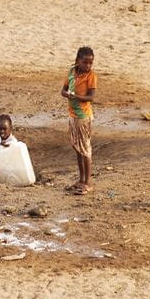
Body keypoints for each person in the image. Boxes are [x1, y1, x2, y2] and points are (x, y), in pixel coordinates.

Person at [62, 46, 97, 195]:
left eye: (90, 63)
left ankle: (88, 182)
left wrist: (76, 97)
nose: (88, 66)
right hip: (73, 116)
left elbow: (91, 97)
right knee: (77, 148)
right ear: (77, 61)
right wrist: (67, 94)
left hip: (83, 116)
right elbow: (63, 90)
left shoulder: (91, 76)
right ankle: (81, 180)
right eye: (85, 63)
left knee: (85, 149)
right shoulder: (71, 72)